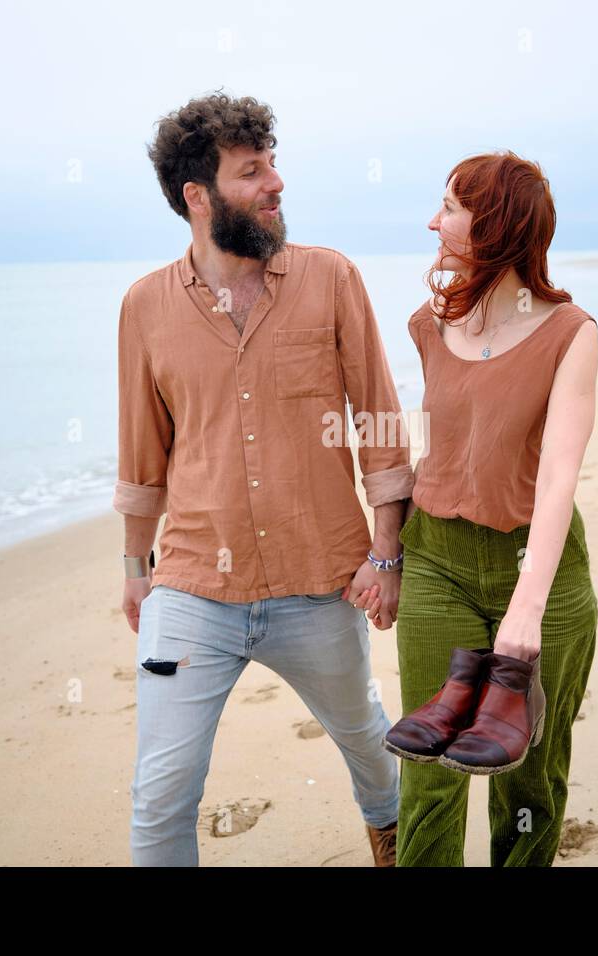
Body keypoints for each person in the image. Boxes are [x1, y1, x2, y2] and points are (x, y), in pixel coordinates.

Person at [115, 91, 412, 866]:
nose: (276, 183)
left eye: (274, 164)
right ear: (198, 197)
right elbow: (142, 455)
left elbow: (379, 424)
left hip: (321, 581)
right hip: (190, 590)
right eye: (253, 172)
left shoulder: (331, 279)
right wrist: (132, 568)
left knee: (370, 749)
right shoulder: (144, 308)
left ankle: (392, 839)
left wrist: (388, 552)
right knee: (160, 792)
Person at [356, 150, 598, 866]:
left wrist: (526, 609)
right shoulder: (429, 325)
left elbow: (559, 477)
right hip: (438, 563)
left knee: (529, 782)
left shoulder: (570, 333)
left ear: (494, 225)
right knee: (427, 773)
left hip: (541, 572)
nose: (434, 221)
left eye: (452, 209)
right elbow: (412, 449)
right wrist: (387, 555)